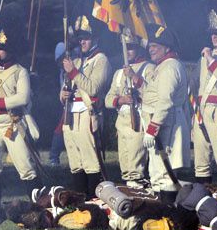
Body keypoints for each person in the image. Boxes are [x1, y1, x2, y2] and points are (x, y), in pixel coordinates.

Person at [0, 5, 42, 221]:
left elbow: (22, 98)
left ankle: (38, 207)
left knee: (27, 169)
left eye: (1, 48)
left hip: (14, 125)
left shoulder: (20, 71)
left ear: (10, 50)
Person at [60, 15, 113, 199]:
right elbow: (67, 88)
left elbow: (93, 88)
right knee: (76, 161)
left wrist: (73, 71)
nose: (82, 41)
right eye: (80, 38)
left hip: (88, 114)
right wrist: (63, 94)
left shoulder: (101, 60)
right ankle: (80, 200)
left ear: (95, 39)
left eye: (86, 37)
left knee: (91, 161)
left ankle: (94, 201)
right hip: (71, 114)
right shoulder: (77, 60)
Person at [141, 23, 191, 204]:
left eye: (156, 46)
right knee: (157, 172)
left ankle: (168, 215)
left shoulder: (170, 67)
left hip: (166, 124)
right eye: (151, 45)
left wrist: (152, 128)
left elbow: (164, 101)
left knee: (165, 172)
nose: (151, 49)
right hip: (163, 123)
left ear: (167, 48)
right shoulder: (163, 65)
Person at [104, 30, 155, 189]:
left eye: (131, 47)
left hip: (138, 121)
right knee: (125, 167)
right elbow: (107, 100)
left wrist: (133, 76)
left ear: (139, 48)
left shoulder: (149, 68)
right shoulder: (119, 73)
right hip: (122, 122)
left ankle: (139, 193)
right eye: (126, 47)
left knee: (135, 167)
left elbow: (152, 93)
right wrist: (120, 100)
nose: (128, 51)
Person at [193, 4, 217, 184]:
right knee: (201, 161)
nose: (214, 36)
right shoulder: (204, 55)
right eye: (212, 33)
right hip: (201, 111)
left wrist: (210, 60)